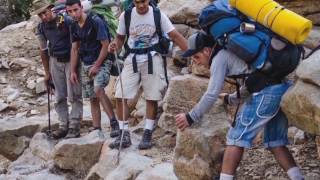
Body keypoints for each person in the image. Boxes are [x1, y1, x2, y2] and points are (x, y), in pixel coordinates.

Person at [175, 32, 304, 180]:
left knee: (235, 138)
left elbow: (211, 94)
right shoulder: (235, 52)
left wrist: (191, 116)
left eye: (196, 56)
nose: (195, 62)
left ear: (206, 50)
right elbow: (253, 80)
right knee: (275, 142)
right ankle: (298, 178)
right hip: (280, 88)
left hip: (265, 94)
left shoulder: (219, 58)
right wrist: (231, 99)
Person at [108, 0, 188, 149]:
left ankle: (147, 133)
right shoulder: (126, 15)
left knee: (152, 96)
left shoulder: (158, 15)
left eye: (144, 1)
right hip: (132, 58)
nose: (141, 5)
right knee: (120, 94)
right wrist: (115, 45)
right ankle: (124, 133)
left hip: (152, 57)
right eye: (137, 2)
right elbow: (120, 38)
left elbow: (175, 36)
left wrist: (192, 53)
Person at [65, 0, 120, 137]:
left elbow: (105, 44)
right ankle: (96, 128)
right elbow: (75, 48)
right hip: (86, 62)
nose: (73, 14)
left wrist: (97, 65)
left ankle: (114, 123)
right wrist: (72, 71)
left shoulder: (95, 21)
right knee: (91, 97)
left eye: (75, 10)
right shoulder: (73, 25)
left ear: (81, 8)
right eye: (70, 11)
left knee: (98, 89)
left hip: (102, 60)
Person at [33, 0, 83, 139]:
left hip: (70, 59)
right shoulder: (41, 27)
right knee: (59, 96)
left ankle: (74, 126)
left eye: (45, 12)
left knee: (74, 94)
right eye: (40, 15)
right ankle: (63, 125)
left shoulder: (66, 21)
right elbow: (43, 50)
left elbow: (76, 46)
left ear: (51, 8)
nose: (43, 17)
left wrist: (73, 68)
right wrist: (47, 73)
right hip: (54, 61)